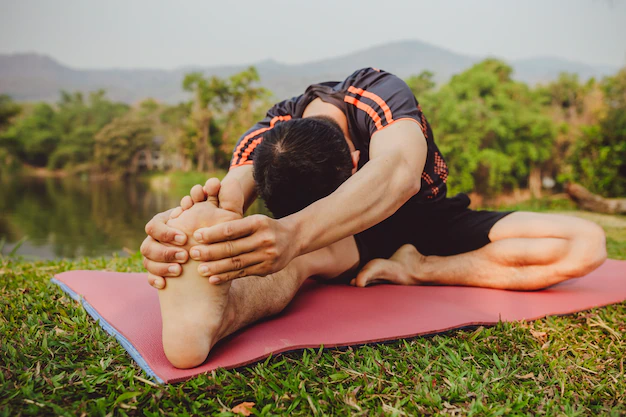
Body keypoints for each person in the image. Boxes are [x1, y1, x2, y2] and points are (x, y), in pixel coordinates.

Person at [141, 68, 607, 368]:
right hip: (339, 240)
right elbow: (230, 193)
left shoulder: (375, 93)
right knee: (297, 261)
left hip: (427, 218)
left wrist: (293, 231)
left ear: (353, 155)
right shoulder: (267, 134)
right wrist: (189, 231)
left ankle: (417, 269)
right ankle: (215, 321)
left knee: (585, 243)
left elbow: (398, 173)